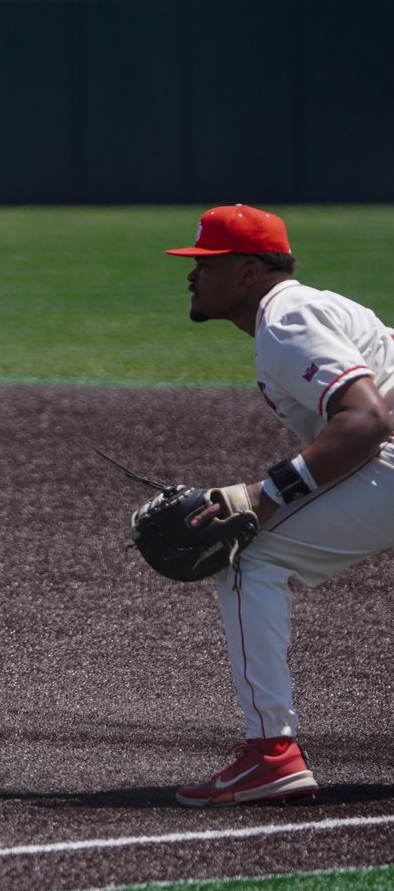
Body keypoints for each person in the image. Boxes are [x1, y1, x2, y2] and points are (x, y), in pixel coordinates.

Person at [162, 203, 394, 807]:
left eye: (206, 263)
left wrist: (265, 495)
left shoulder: (287, 316)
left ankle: (271, 754)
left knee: (246, 555)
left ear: (247, 272)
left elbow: (367, 420)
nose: (192, 275)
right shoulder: (302, 310)